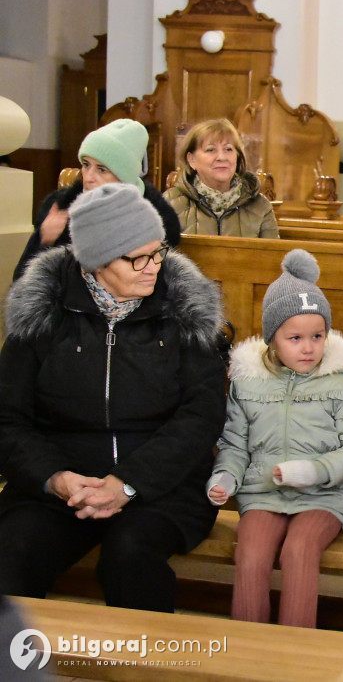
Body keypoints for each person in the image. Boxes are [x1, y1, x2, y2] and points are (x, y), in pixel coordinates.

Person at [0, 183, 226, 613]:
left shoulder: (183, 308)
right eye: (137, 257)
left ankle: (148, 669)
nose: (153, 267)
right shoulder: (42, 311)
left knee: (130, 556)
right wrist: (55, 478)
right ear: (95, 261)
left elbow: (201, 413)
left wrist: (128, 483)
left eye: (158, 251)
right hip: (63, 485)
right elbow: (7, 418)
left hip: (162, 484)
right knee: (13, 553)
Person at [207, 249, 343, 628]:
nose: (308, 347)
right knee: (251, 554)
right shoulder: (247, 385)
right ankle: (250, 651)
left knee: (300, 551)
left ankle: (296, 650)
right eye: (295, 337)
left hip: (324, 497)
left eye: (317, 336)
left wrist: (316, 470)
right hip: (263, 493)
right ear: (273, 339)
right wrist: (226, 479)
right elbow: (236, 444)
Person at [13, 119, 181, 280]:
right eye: (86, 164)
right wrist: (44, 241)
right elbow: (22, 282)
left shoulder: (157, 220)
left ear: (124, 177)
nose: (89, 177)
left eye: (101, 169)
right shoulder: (61, 209)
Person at [163, 118, 279, 238]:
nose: (222, 157)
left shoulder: (261, 206)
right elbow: (159, 254)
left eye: (228, 149)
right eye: (211, 150)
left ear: (237, 157)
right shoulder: (170, 203)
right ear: (191, 159)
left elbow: (271, 255)